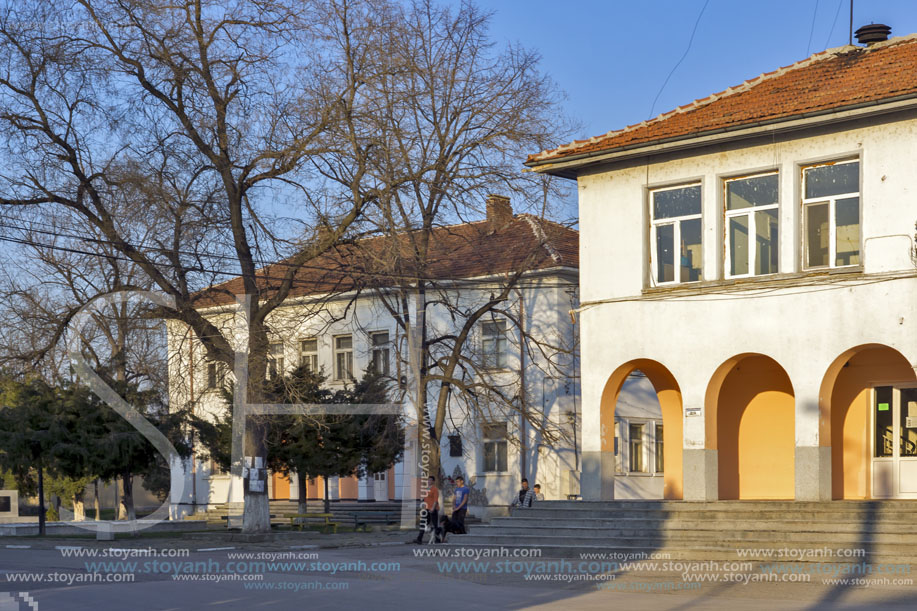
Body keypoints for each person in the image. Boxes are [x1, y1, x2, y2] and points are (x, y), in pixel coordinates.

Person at [414, 475, 439, 544]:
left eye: (430, 480)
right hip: (426, 509)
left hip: (433, 509)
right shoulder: (427, 489)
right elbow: (424, 499)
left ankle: (437, 539)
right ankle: (419, 539)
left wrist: (433, 508)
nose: (429, 481)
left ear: (433, 481)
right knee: (423, 523)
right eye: (428, 480)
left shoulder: (435, 489)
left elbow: (435, 500)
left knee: (434, 524)